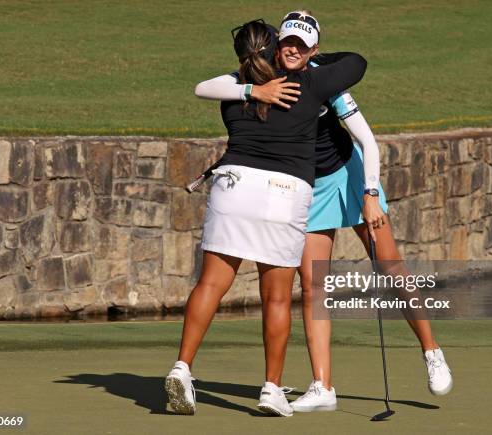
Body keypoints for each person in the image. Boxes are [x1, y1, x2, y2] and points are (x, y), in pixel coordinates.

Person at [193, 10, 453, 413]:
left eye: (302, 44)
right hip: (305, 187)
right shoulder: (259, 77)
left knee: (391, 266)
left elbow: (368, 140)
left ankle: (431, 350)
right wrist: (251, 92)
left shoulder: (324, 81)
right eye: (287, 42)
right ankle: (323, 385)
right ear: (278, 44)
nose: (292, 49)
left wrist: (369, 194)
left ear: (314, 49)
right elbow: (206, 87)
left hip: (348, 175)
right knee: (314, 287)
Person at [165, 19, 367, 417]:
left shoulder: (231, 88)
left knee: (211, 284)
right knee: (276, 297)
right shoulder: (307, 84)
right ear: (276, 47)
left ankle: (182, 367)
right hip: (283, 195)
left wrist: (251, 88)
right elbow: (357, 63)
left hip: (233, 187)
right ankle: (271, 388)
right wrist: (311, 56)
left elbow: (202, 86)